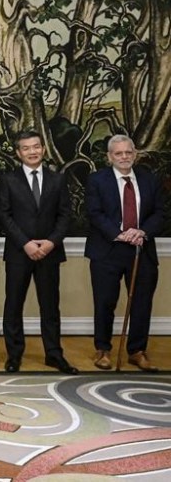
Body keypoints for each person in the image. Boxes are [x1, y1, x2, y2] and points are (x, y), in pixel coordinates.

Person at [0, 130, 77, 374]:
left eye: (36, 147)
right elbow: (4, 215)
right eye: (26, 148)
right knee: (13, 305)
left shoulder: (58, 179)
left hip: (49, 253)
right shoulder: (8, 180)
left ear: (43, 149)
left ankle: (54, 354)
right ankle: (14, 355)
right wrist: (26, 243)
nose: (32, 151)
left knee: (50, 306)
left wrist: (51, 242)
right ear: (18, 152)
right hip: (19, 253)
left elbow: (65, 215)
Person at [85, 135, 164, 372]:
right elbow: (94, 213)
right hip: (107, 250)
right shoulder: (97, 180)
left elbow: (161, 212)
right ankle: (103, 349)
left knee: (141, 303)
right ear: (109, 157)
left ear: (135, 154)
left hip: (142, 249)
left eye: (128, 153)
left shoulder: (150, 180)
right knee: (104, 302)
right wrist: (119, 233)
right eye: (118, 154)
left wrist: (142, 231)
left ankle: (137, 350)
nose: (124, 157)